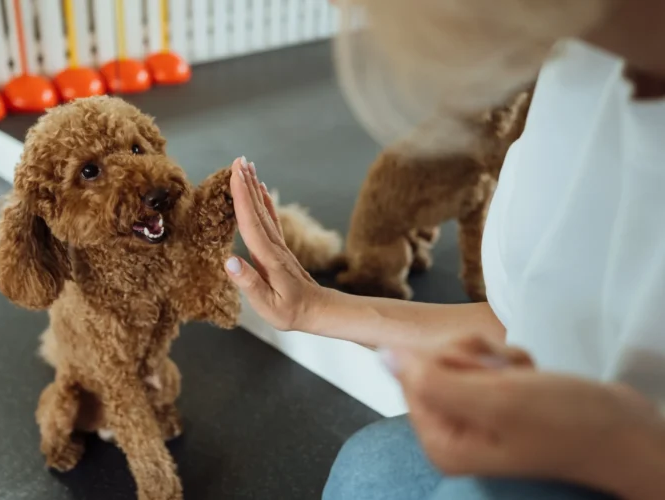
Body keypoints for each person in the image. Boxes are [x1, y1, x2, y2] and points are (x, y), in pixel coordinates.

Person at [222, 1, 665, 498]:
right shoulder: (574, 68)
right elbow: (529, 325)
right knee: (369, 468)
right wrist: (316, 309)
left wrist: (624, 449)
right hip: (590, 427)